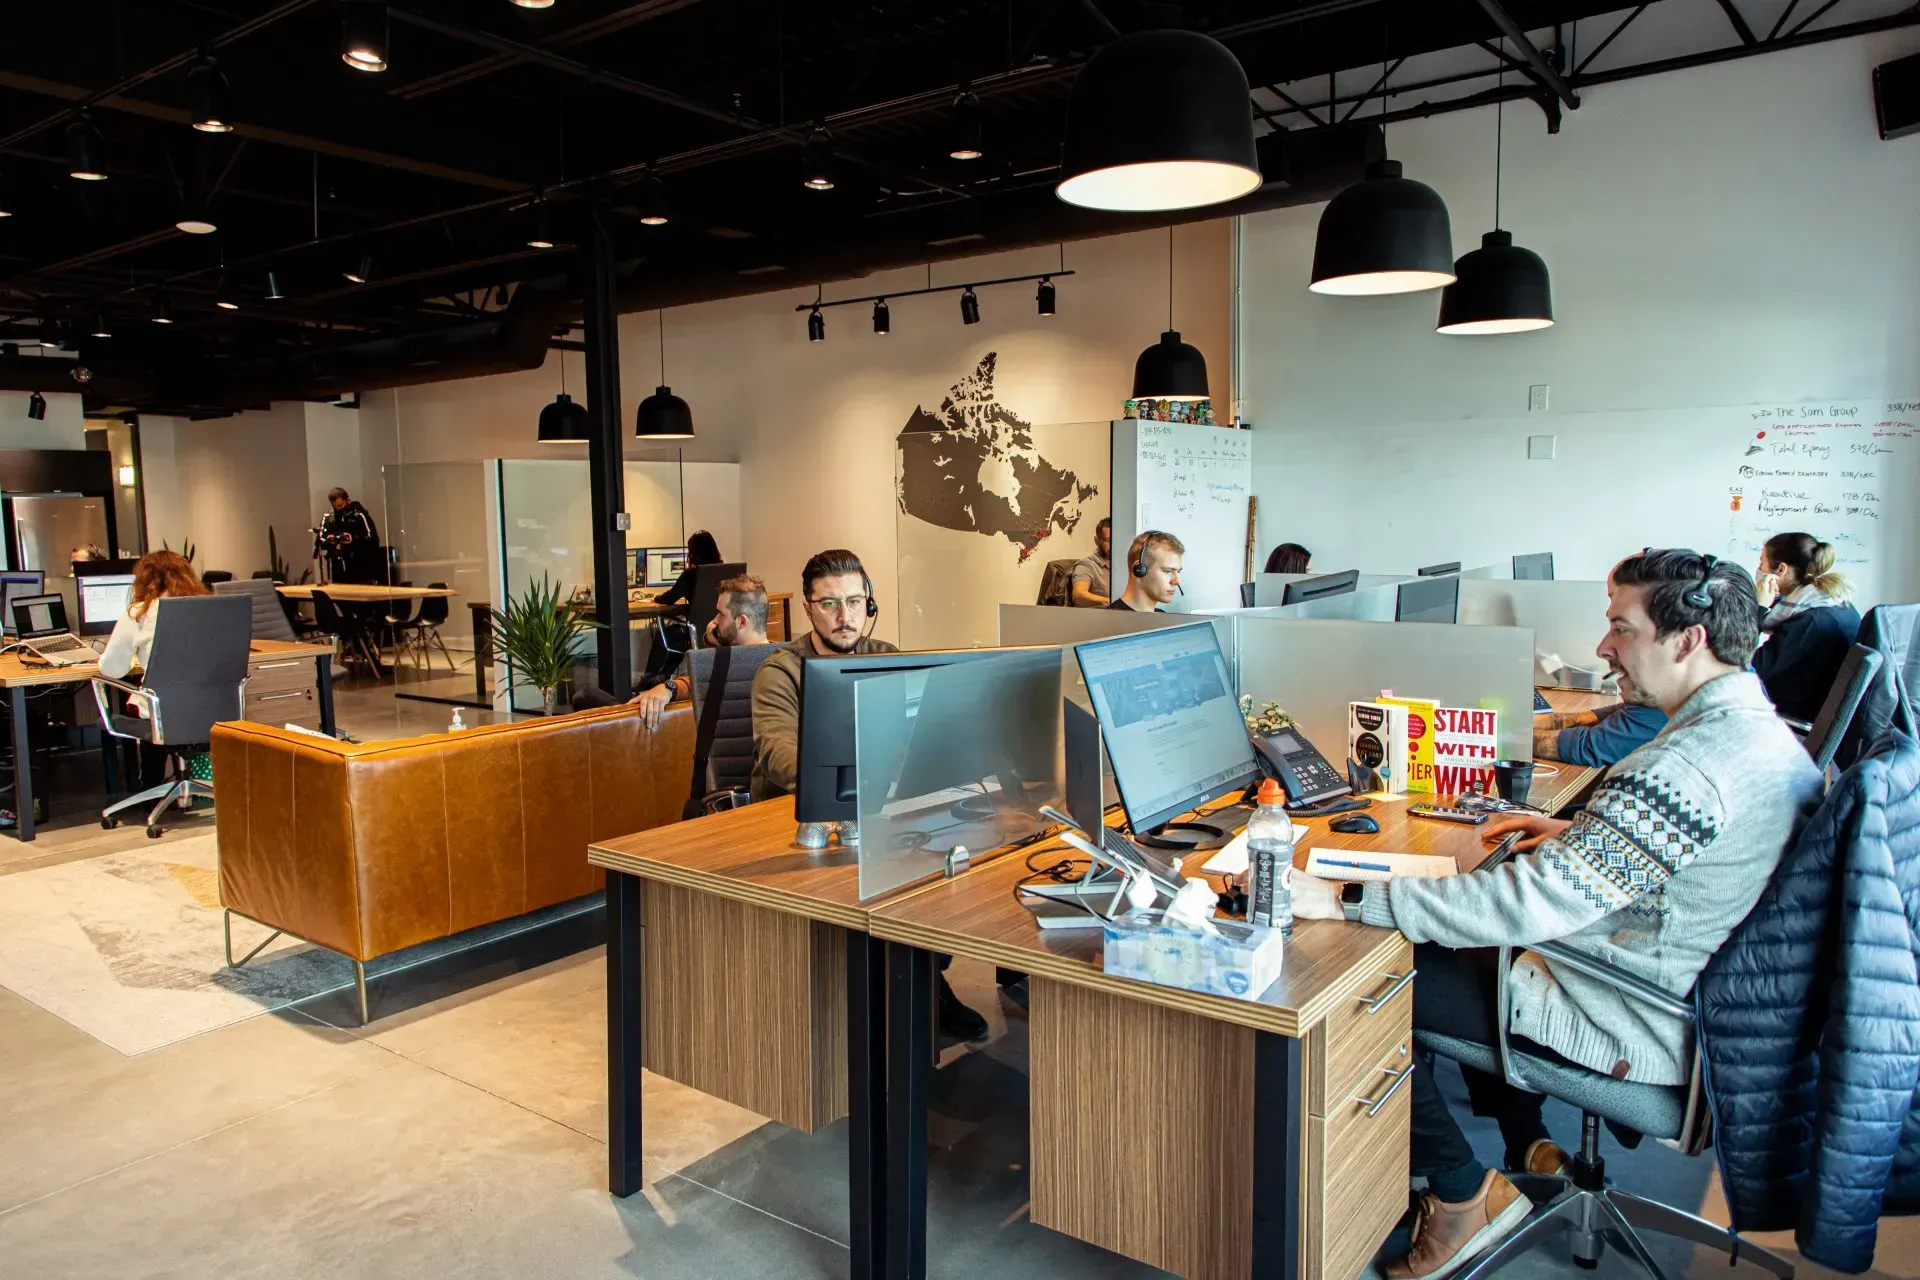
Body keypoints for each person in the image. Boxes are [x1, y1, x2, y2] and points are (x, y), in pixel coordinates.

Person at [1284, 550, 1821, 1280]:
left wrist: (1347, 896)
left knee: (1367, 986)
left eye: (1621, 629)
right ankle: (1524, 1141)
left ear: (1688, 641)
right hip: (1692, 998)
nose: (1604, 648)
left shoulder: (1683, 769)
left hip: (1638, 1016)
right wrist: (1585, 841)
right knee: (1450, 946)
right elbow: (1700, 860)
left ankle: (1460, 1193)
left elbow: (1521, 905)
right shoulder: (1754, 732)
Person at [749, 548, 990, 1041]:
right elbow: (780, 756)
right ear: (809, 607)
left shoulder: (888, 659)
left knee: (949, 874)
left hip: (879, 813)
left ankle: (924, 983)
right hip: (796, 824)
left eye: (856, 602)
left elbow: (928, 732)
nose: (846, 616)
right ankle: (883, 1008)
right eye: (831, 604)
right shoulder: (782, 671)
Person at [573, 573, 769, 727]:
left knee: (586, 697)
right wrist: (714, 640)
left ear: (742, 621)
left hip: (667, 730)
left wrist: (669, 688)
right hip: (679, 724)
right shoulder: (774, 658)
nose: (714, 621)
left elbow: (701, 680)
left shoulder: (737, 665)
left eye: (720, 614)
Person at [1752, 532, 1861, 724]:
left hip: (1792, 716)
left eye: (1761, 564)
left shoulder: (1807, 622)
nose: (1758, 570)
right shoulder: (1835, 602)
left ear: (1780, 570)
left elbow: (1750, 669)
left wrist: (1759, 609)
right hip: (1819, 709)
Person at [99, 549, 212, 680]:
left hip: (160, 699)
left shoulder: (141, 611)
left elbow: (111, 669)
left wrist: (130, 658)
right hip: (216, 698)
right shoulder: (212, 609)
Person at [638, 531, 724, 689]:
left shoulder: (691, 575)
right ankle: (663, 678)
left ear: (693, 554)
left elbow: (668, 598)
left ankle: (649, 680)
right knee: (678, 636)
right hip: (721, 631)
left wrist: (655, 598)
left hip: (697, 632)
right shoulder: (725, 572)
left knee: (668, 634)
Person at [318, 488, 382, 584]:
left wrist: (353, 539)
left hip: (360, 563)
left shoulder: (358, 515)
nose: (338, 509)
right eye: (335, 506)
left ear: (348, 500)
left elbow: (372, 538)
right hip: (338, 564)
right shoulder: (330, 516)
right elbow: (321, 537)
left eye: (341, 505)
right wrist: (330, 540)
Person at [1108, 530, 1182, 613]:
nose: (1177, 581)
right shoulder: (1111, 621)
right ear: (1139, 570)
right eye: (1167, 571)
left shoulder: (1163, 617)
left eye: (1178, 572)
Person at [1069, 517, 1113, 608]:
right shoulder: (1086, 565)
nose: (1114, 544)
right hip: (1099, 617)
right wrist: (1109, 601)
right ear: (1097, 541)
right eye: (1108, 541)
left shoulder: (1126, 564)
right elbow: (1078, 594)